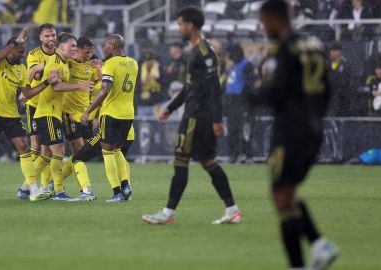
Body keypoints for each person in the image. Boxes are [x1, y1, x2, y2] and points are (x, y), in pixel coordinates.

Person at [246, 1, 339, 269]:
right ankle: (318, 246)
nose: (264, 28)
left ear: (276, 18)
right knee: (288, 194)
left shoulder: (284, 48)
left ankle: (310, 252)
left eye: (264, 22)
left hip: (289, 130)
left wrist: (252, 96)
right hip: (313, 127)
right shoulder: (314, 43)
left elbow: (276, 93)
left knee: (280, 195)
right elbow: (327, 91)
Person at [141, 6, 242, 225]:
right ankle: (233, 209)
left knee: (181, 159)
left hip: (198, 116)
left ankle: (168, 213)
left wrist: (217, 120)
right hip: (193, 112)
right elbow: (189, 88)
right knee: (207, 161)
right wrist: (170, 107)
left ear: (191, 25)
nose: (178, 28)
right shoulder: (193, 51)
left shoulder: (205, 51)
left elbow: (215, 88)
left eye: (180, 23)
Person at [0, 27, 61, 202]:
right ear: (10, 49)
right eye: (20, 52)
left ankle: (33, 189)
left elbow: (28, 93)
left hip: (11, 115)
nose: (22, 55)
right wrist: (16, 41)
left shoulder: (21, 70)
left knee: (23, 148)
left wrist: (46, 82)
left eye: (24, 52)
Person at [32, 32, 94, 201]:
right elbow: (56, 87)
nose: (75, 49)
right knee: (64, 151)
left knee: (47, 154)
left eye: (76, 46)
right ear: (61, 47)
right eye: (72, 46)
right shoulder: (59, 63)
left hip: (61, 113)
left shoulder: (66, 63)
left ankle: (32, 186)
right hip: (54, 113)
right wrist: (79, 85)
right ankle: (60, 190)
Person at [80, 34, 138, 203]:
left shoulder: (110, 64)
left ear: (112, 46)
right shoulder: (133, 63)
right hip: (128, 114)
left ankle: (116, 192)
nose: (102, 48)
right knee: (118, 150)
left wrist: (88, 112)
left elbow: (105, 89)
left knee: (107, 152)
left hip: (111, 114)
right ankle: (126, 184)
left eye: (105, 45)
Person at [16, 23, 57, 200]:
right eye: (47, 36)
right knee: (36, 145)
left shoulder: (59, 55)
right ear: (41, 38)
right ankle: (30, 185)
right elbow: (36, 74)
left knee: (48, 148)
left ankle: (41, 185)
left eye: (53, 35)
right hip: (34, 103)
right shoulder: (34, 54)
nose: (51, 38)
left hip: (51, 104)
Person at [59, 36, 101, 201]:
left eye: (92, 52)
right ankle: (85, 189)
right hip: (69, 113)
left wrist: (99, 69)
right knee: (79, 151)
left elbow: (100, 88)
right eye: (87, 51)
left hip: (86, 115)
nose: (90, 54)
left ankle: (55, 182)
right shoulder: (69, 63)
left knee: (81, 153)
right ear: (78, 49)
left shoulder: (91, 67)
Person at [224, 43, 255, 163]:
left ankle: (248, 156)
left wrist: (245, 101)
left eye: (229, 53)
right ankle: (233, 156)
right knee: (232, 130)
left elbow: (248, 84)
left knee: (244, 131)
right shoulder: (232, 66)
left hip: (241, 102)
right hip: (231, 101)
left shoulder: (247, 65)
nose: (227, 56)